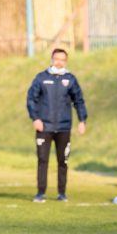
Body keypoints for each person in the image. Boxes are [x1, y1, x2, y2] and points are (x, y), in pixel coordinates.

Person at [27, 48, 88, 203]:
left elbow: (79, 100)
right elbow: (31, 99)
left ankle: (62, 193)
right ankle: (40, 193)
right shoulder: (41, 78)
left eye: (62, 59)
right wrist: (35, 118)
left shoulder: (70, 79)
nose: (59, 61)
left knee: (63, 161)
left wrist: (82, 120)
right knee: (42, 160)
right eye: (56, 58)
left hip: (63, 128)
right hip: (44, 127)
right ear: (52, 59)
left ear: (65, 61)